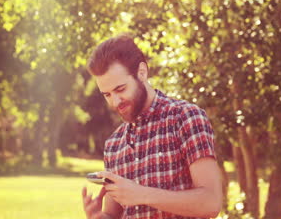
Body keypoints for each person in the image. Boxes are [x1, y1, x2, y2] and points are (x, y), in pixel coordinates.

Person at [82, 34, 222, 219]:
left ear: (142, 72)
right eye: (107, 94)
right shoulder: (114, 144)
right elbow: (114, 214)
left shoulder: (185, 118)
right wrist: (99, 217)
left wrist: (141, 194)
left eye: (120, 89)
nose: (115, 102)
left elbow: (211, 202)